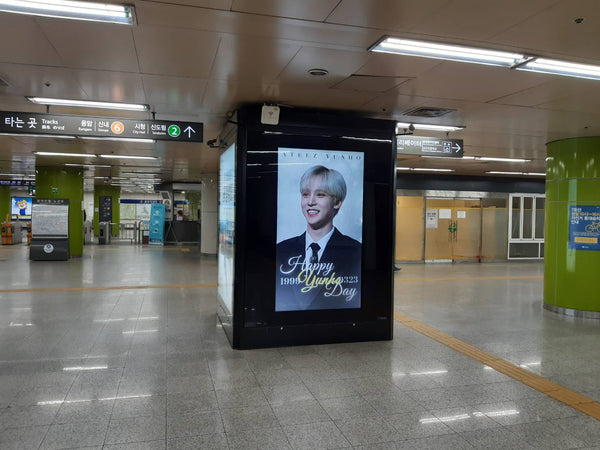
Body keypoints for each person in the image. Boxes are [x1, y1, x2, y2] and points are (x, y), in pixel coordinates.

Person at [276, 165, 361, 311]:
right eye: (305, 194)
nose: (310, 202)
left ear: (337, 202)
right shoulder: (281, 250)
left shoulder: (356, 252)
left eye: (320, 194)